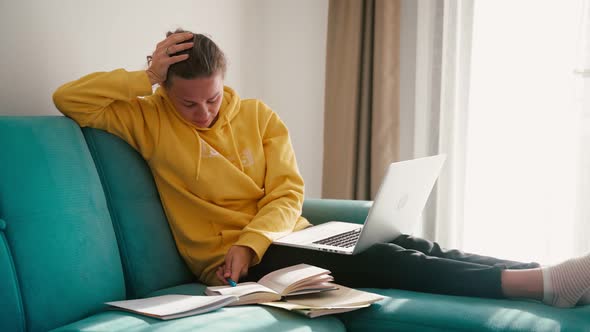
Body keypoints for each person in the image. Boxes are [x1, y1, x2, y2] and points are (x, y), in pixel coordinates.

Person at [53, 29, 590, 308]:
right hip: (231, 266)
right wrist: (147, 74)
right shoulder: (143, 117)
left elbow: (287, 193)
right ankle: (542, 285)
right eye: (188, 103)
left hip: (279, 240)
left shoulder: (258, 116)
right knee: (386, 260)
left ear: (224, 81)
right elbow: (69, 98)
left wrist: (255, 238)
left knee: (419, 249)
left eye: (212, 99)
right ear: (163, 87)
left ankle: (549, 274)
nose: (204, 113)